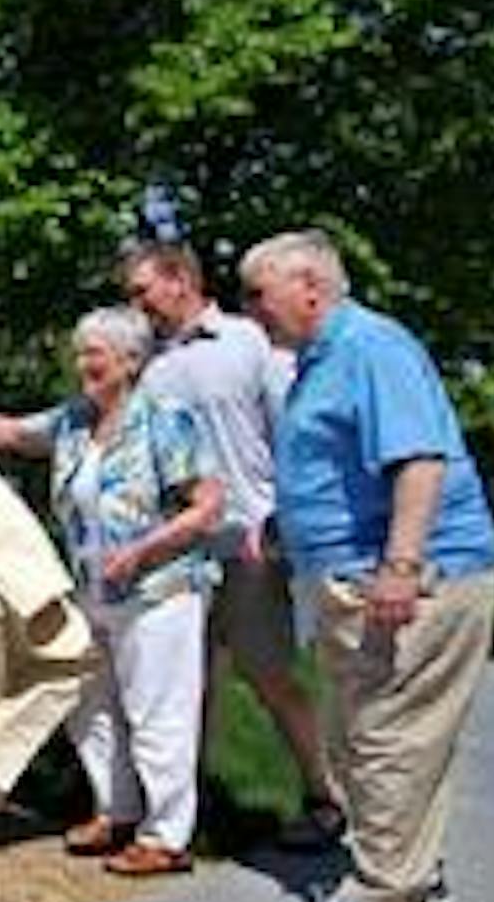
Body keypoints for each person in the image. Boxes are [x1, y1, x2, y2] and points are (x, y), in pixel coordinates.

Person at [241, 229, 494, 902]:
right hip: (357, 575)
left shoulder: (370, 347)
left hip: (412, 578)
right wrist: (286, 522)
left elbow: (419, 460)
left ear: (309, 288)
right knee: (371, 738)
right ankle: (410, 875)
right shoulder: (322, 360)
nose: (250, 311)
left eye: (257, 293)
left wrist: (401, 565)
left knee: (388, 737)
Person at [0, 306, 224, 875]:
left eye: (94, 354)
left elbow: (207, 507)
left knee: (159, 711)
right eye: (80, 353)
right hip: (93, 588)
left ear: (130, 361)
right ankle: (115, 809)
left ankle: (166, 836)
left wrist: (144, 550)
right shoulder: (75, 420)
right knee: (90, 706)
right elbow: (11, 433)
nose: (83, 365)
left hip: (159, 589)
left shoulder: (165, 419)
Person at [117, 239, 342, 846]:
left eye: (142, 291)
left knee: (268, 673)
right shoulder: (150, 366)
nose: (136, 306)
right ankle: (183, 812)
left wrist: (282, 523)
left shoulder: (248, 343)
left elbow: (295, 433)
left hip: (248, 544)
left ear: (180, 280)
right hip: (177, 552)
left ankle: (327, 797)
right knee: (183, 684)